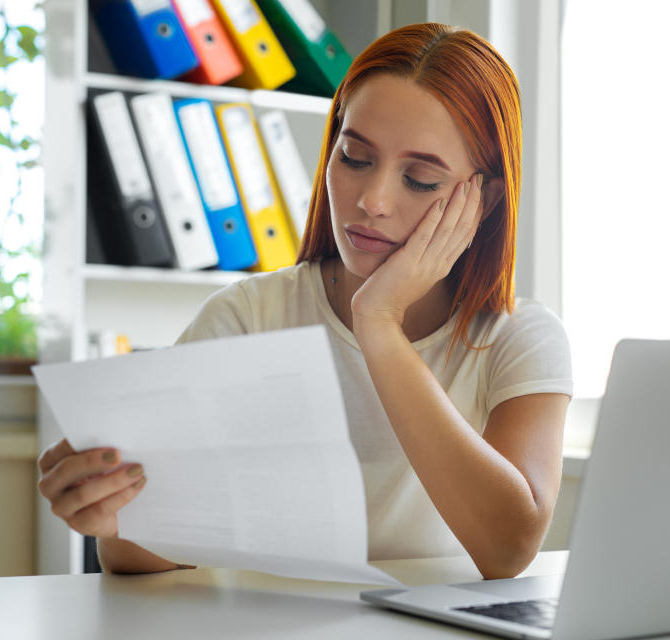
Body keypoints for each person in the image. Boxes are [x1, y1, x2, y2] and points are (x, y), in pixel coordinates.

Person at [38, 22, 572, 580]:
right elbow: (141, 558)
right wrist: (110, 515)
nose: (372, 200)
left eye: (418, 179)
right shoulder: (249, 317)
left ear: (482, 200)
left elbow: (508, 547)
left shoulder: (519, 339)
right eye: (355, 158)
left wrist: (379, 322)